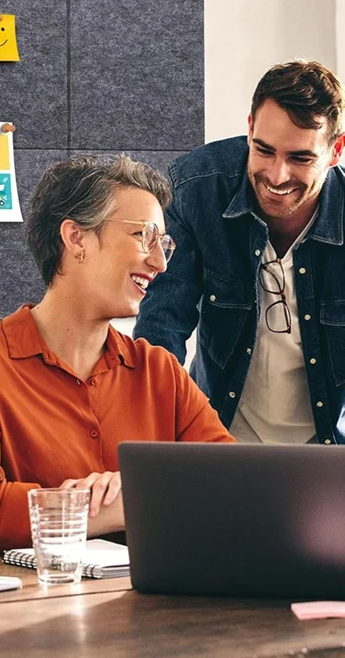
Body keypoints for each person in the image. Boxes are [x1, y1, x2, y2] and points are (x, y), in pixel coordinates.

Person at [0, 156, 234, 556]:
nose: (160, 262)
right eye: (144, 236)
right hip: (4, 608)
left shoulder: (159, 371)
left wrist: (135, 493)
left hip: (131, 606)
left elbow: (232, 485)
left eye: (165, 244)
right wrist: (109, 508)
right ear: (75, 238)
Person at [134, 60, 345, 445]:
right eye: (264, 150)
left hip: (328, 451)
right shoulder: (199, 187)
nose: (277, 176)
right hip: (219, 437)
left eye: (300, 158)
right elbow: (162, 321)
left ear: (336, 151)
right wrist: (156, 436)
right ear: (249, 129)